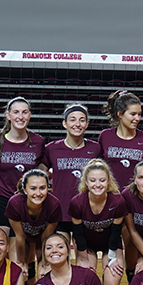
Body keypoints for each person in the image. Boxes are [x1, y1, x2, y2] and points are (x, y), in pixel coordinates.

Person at [68, 159, 127, 285]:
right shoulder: (77, 203)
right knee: (86, 283)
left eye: (102, 180)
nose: (97, 184)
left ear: (108, 182)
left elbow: (116, 233)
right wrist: (83, 258)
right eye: (93, 180)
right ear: (86, 182)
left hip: (111, 245)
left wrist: (112, 256)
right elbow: (78, 234)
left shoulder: (118, 201)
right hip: (87, 246)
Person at [0, 97, 46, 237]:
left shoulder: (38, 141)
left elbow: (42, 172)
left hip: (28, 200)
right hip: (1, 198)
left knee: (24, 245)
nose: (20, 117)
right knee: (2, 242)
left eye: (24, 113)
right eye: (16, 112)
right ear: (8, 115)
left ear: (29, 115)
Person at [42, 104, 101, 243]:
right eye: (72, 119)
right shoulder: (52, 148)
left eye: (81, 120)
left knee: (83, 254)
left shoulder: (95, 148)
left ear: (86, 124)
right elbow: (40, 173)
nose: (77, 124)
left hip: (86, 211)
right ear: (65, 123)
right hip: (60, 211)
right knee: (61, 252)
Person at [5, 169, 61, 282]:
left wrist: (44, 264)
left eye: (42, 188)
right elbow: (20, 237)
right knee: (19, 269)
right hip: (21, 236)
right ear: (25, 189)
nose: (38, 193)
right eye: (33, 188)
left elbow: (46, 237)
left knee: (45, 270)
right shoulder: (15, 203)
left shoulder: (54, 204)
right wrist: (22, 262)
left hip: (43, 236)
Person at [98, 90, 143, 189]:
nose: (137, 118)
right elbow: (97, 168)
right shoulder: (105, 136)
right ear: (120, 114)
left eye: (139, 114)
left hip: (136, 195)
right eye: (133, 114)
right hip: (109, 195)